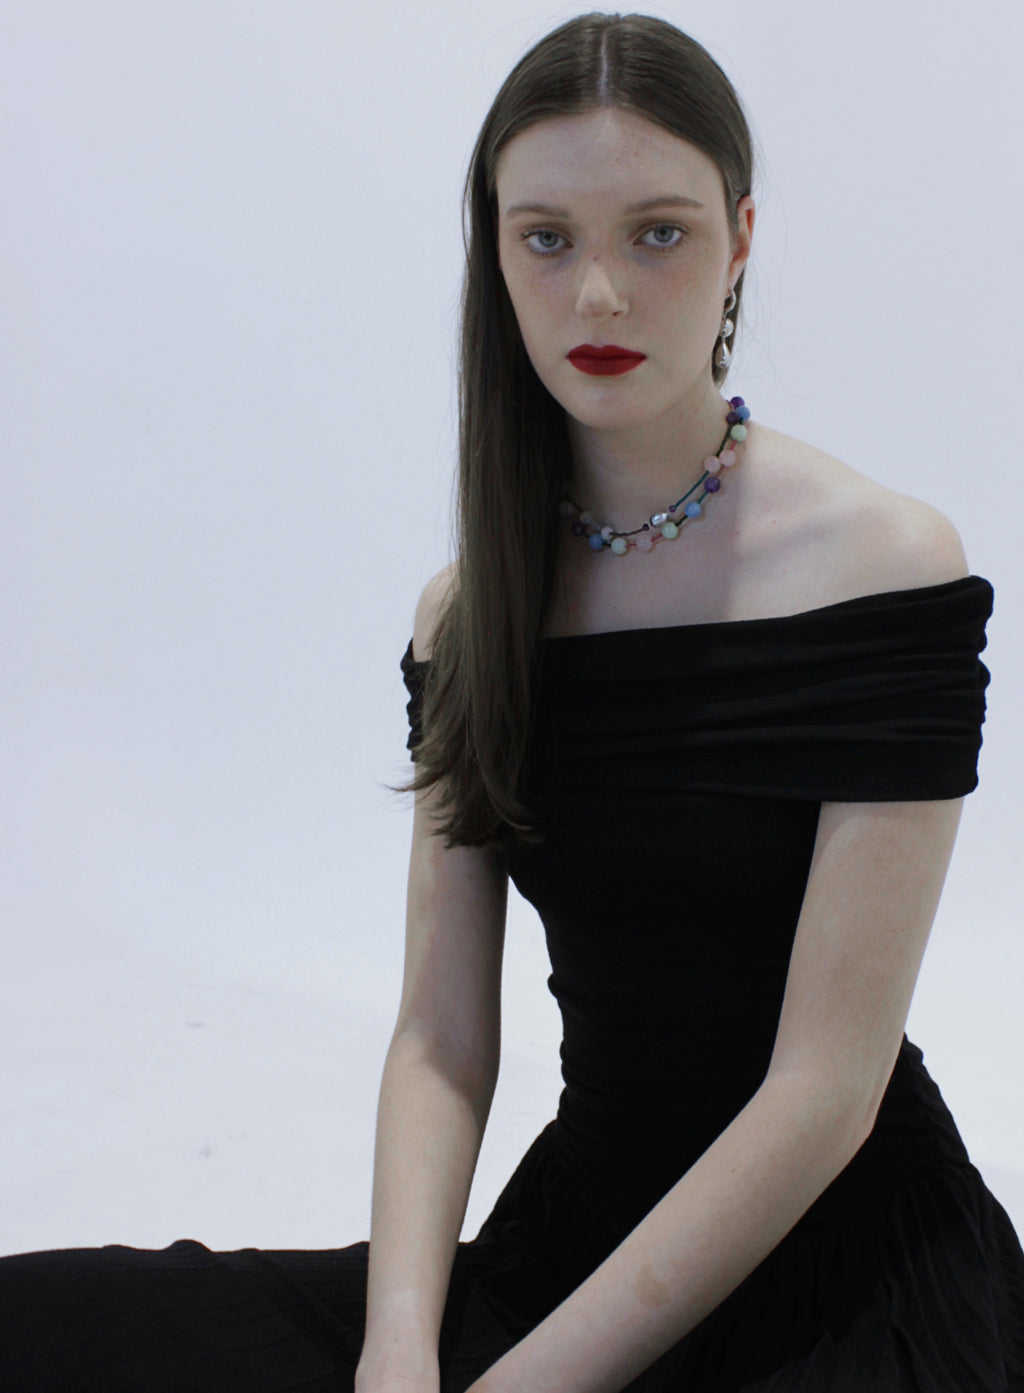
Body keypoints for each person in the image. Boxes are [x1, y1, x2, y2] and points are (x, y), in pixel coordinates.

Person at [1, 10, 1022, 1392]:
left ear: (742, 237)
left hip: (847, 1267)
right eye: (547, 236)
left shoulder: (886, 569)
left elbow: (822, 1093)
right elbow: (439, 1039)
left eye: (656, 231)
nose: (598, 292)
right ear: (495, 250)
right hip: (576, 1240)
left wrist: (535, 1382)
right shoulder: (469, 610)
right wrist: (401, 1351)